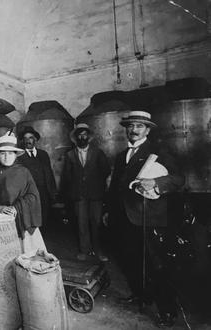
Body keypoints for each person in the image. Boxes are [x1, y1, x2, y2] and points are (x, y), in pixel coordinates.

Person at [105, 111, 184, 327]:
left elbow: (178, 179)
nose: (133, 130)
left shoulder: (158, 151)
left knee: (156, 265)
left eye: (139, 126)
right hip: (124, 217)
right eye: (130, 126)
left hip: (149, 217)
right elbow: (116, 188)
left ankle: (167, 311)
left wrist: (156, 183)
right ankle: (141, 296)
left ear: (147, 130)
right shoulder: (122, 155)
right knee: (130, 260)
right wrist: (108, 211)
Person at [61, 123, 111, 262]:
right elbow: (67, 176)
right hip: (79, 195)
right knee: (81, 223)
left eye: (84, 134)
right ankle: (84, 250)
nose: (82, 137)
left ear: (88, 137)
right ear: (76, 137)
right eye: (79, 135)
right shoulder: (70, 155)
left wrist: (96, 183)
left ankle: (98, 250)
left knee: (96, 222)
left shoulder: (98, 153)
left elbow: (106, 170)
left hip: (96, 195)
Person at [0, 134, 46, 252]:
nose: (6, 157)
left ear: (15, 155)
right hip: (1, 222)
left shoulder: (23, 172)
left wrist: (17, 208)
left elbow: (33, 196)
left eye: (10, 153)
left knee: (29, 255)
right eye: (3, 153)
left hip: (23, 220)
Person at [16, 126, 57, 226]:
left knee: (44, 216)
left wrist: (52, 192)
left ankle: (44, 239)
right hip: (29, 192)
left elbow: (49, 174)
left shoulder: (43, 154)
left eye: (30, 138)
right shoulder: (19, 156)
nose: (28, 141)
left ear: (35, 139)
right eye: (25, 138)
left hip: (44, 192)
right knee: (32, 217)